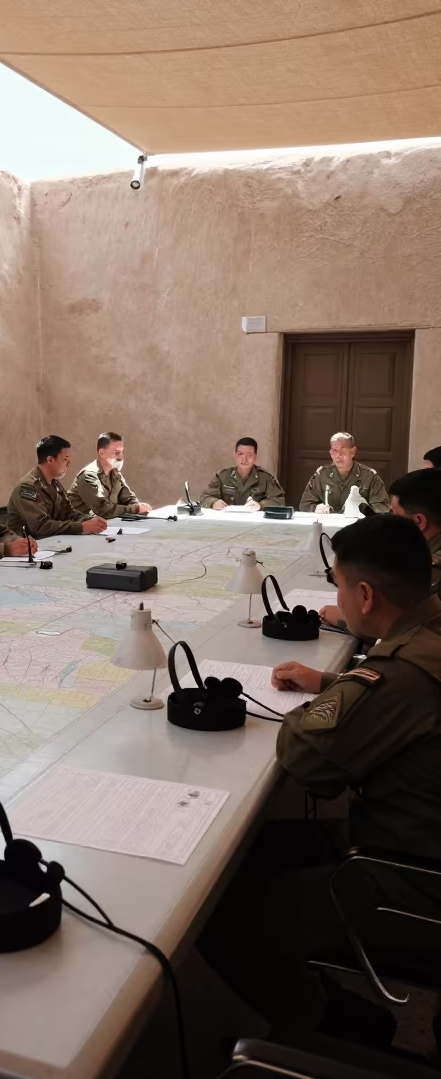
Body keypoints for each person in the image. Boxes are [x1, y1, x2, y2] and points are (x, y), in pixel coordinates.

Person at [199, 515, 441, 1042]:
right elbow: (398, 700)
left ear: (367, 595)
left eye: (338, 585)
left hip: (410, 872)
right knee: (256, 850)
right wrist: (335, 681)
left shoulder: (399, 671)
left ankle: (332, 1028)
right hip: (414, 834)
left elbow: (307, 758)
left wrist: (318, 704)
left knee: (219, 915)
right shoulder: (427, 635)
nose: (339, 595)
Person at [318, 468, 441, 627]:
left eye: (394, 513)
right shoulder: (423, 552)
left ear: (419, 522)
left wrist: (345, 619)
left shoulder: (434, 570)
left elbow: (411, 630)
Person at [7, 436, 108, 538]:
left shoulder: (55, 484)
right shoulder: (27, 488)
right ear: (50, 460)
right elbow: (41, 527)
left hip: (51, 543)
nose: (68, 464)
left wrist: (89, 520)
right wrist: (82, 527)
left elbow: (68, 513)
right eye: (65, 459)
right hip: (28, 548)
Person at [66, 432, 152, 519]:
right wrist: (135, 509)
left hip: (105, 525)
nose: (120, 457)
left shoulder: (115, 474)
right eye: (116, 452)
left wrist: (138, 507)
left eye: (121, 452)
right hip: (80, 527)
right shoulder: (89, 475)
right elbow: (103, 510)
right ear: (102, 452)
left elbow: (128, 498)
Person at [299, 432, 389, 514]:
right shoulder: (322, 474)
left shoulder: (369, 476)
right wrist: (316, 508)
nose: (339, 455)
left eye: (343, 450)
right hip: (328, 527)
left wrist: (361, 511)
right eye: (334, 450)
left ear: (353, 452)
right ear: (330, 452)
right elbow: (304, 505)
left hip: (357, 527)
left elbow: (381, 509)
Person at [199, 437, 285, 511]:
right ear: (235, 455)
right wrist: (214, 503)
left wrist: (261, 505)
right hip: (227, 522)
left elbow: (279, 501)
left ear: (255, 457)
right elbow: (205, 496)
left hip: (256, 523)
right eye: (240, 454)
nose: (244, 459)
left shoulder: (266, 478)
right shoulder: (223, 476)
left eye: (249, 455)